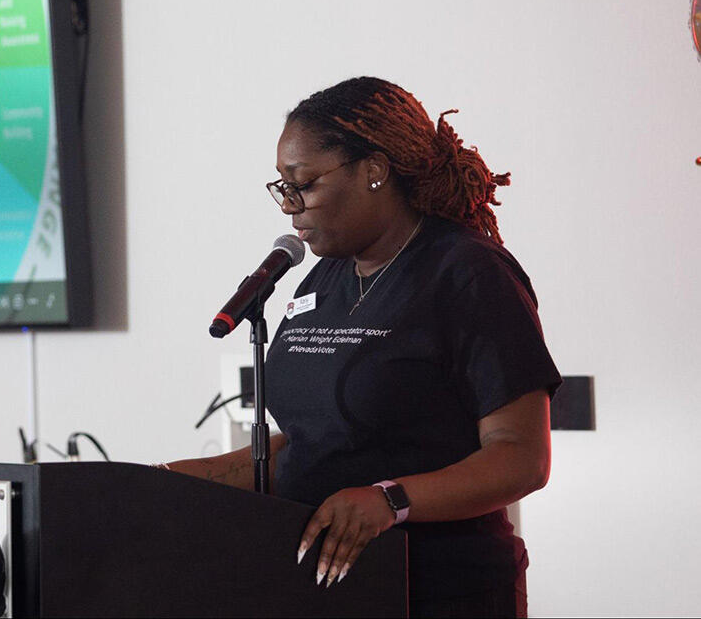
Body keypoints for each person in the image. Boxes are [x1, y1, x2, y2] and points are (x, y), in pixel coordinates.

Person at [163, 77, 561, 618]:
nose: (289, 207)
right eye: (282, 187)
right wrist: (159, 483)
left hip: (437, 591)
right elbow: (313, 445)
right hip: (320, 589)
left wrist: (389, 500)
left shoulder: (467, 273)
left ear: (374, 170)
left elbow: (521, 457)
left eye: (302, 183)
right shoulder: (323, 280)